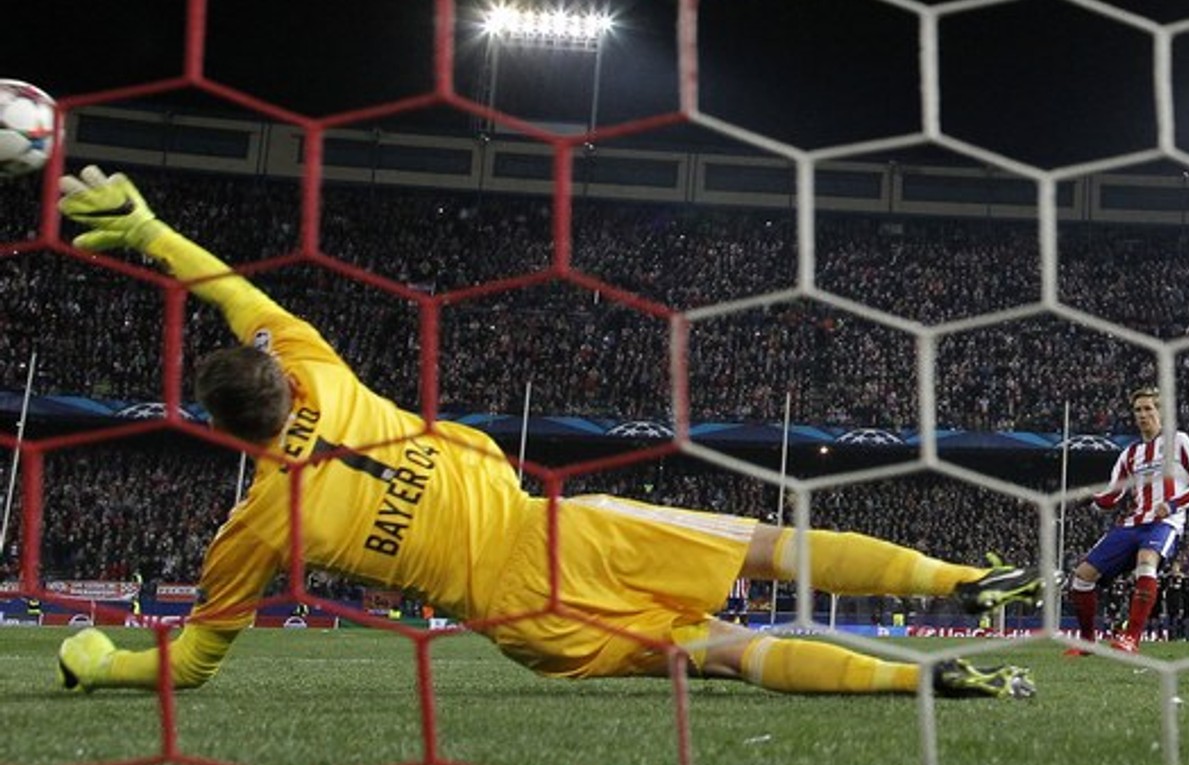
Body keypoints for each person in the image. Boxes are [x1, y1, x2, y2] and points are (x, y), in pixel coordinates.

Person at [54, 166, 1042, 699]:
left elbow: (189, 664)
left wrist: (102, 662)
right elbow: (235, 296)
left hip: (518, 614)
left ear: (228, 432)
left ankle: (931, 681)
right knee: (765, 545)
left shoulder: (260, 524)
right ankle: (954, 580)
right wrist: (147, 231)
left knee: (721, 649)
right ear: (276, 372)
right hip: (561, 525)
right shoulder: (319, 368)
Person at [1065, 386, 1189, 655]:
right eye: (1138, 410)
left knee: (1146, 562)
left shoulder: (1178, 441)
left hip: (1165, 523)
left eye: (1148, 409)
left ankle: (1130, 639)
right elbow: (1113, 497)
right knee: (1082, 578)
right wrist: (1092, 498)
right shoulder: (1129, 455)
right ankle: (1087, 642)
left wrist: (1172, 504)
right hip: (1133, 523)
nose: (1143, 415)